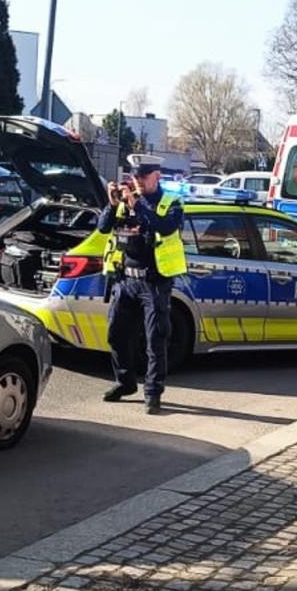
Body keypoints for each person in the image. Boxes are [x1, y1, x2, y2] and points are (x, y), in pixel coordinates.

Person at [99, 157, 186, 414]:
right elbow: (104, 228)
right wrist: (113, 204)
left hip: (154, 282)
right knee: (116, 333)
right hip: (126, 280)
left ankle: (153, 393)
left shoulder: (171, 203)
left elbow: (166, 227)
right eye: (134, 177)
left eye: (142, 177)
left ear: (156, 176)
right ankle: (124, 383)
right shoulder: (126, 202)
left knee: (155, 339)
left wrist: (139, 207)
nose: (136, 182)